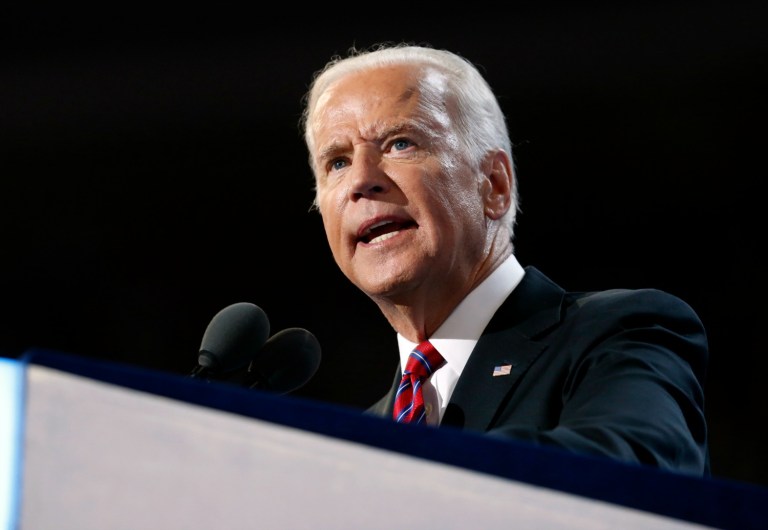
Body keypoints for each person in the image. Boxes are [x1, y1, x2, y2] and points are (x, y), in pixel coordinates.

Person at [299, 42, 709, 476]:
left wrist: (408, 479)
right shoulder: (361, 446)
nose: (361, 181)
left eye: (401, 143)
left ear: (493, 185)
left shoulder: (617, 332)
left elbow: (630, 472)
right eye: (338, 162)